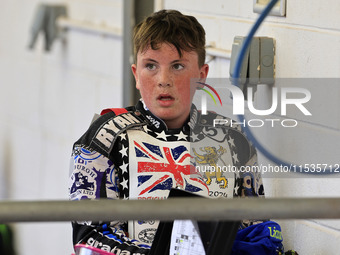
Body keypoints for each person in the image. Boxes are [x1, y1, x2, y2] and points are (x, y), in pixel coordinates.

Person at [68, 9, 264, 255]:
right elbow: (88, 238)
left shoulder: (235, 137)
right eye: (150, 66)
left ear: (201, 76)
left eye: (178, 66)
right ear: (136, 75)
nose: (163, 79)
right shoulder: (105, 136)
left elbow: (255, 228)